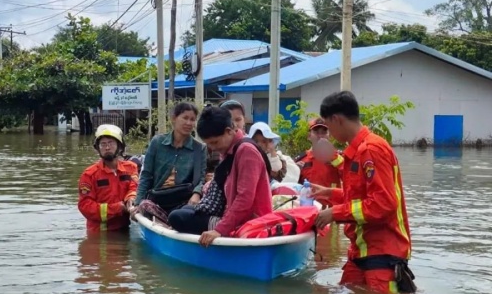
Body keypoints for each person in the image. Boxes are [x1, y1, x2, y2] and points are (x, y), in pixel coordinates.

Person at [312, 91, 416, 294]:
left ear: (336, 119)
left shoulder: (371, 150)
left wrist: (335, 213)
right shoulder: (358, 151)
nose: (329, 134)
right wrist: (330, 193)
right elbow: (361, 198)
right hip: (362, 250)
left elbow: (383, 204)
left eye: (328, 126)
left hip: (382, 253)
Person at [168, 106, 273, 246]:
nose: (213, 148)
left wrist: (219, 230)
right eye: (209, 144)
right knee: (184, 210)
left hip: (250, 222)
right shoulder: (230, 150)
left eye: (214, 142)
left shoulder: (246, 151)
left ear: (229, 131)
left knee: (177, 217)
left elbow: (245, 199)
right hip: (233, 214)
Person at [133, 102, 207, 214]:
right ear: (174, 118)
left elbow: (201, 178)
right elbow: (146, 175)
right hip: (157, 198)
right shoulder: (157, 142)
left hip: (183, 201)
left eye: (192, 119)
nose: (189, 123)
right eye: (185, 118)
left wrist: (196, 194)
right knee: (145, 206)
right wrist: (137, 203)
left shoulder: (199, 148)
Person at [77, 124, 138, 234]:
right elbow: (85, 207)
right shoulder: (89, 174)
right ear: (98, 148)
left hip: (125, 229)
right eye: (103, 144)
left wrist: (131, 198)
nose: (107, 147)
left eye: (111, 143)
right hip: (100, 234)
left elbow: (134, 187)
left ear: (119, 146)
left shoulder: (131, 168)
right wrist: (117, 208)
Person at [295, 118, 344, 206]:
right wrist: (294, 170)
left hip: (332, 210)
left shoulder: (339, 157)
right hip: (307, 209)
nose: (320, 136)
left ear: (330, 136)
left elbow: (349, 177)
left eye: (324, 132)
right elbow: (294, 187)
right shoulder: (301, 159)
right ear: (309, 136)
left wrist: (333, 157)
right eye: (316, 132)